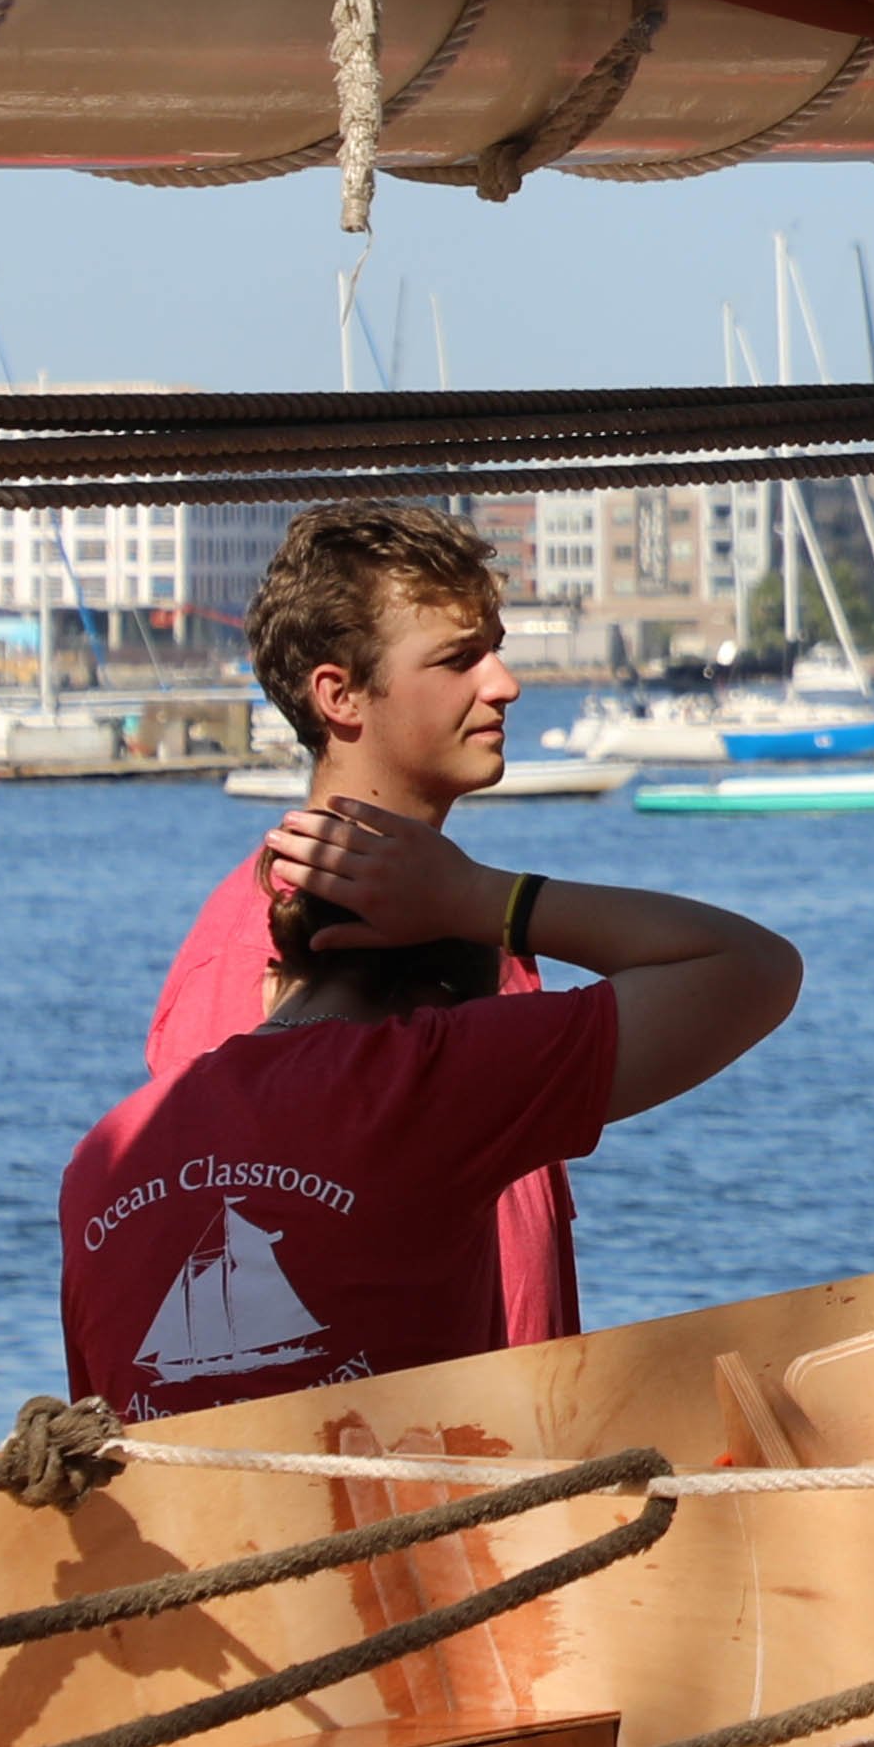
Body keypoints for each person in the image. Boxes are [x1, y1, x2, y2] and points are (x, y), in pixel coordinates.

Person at [63, 797, 801, 1417]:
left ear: (278, 972)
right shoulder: (429, 1072)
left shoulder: (104, 1151)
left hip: (188, 1576)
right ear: (446, 1001)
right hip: (393, 1570)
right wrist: (487, 899)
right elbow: (754, 967)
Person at [148, 508, 577, 1345]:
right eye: (460, 659)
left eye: (495, 648)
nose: (504, 683)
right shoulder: (249, 966)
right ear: (338, 695)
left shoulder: (465, 917)